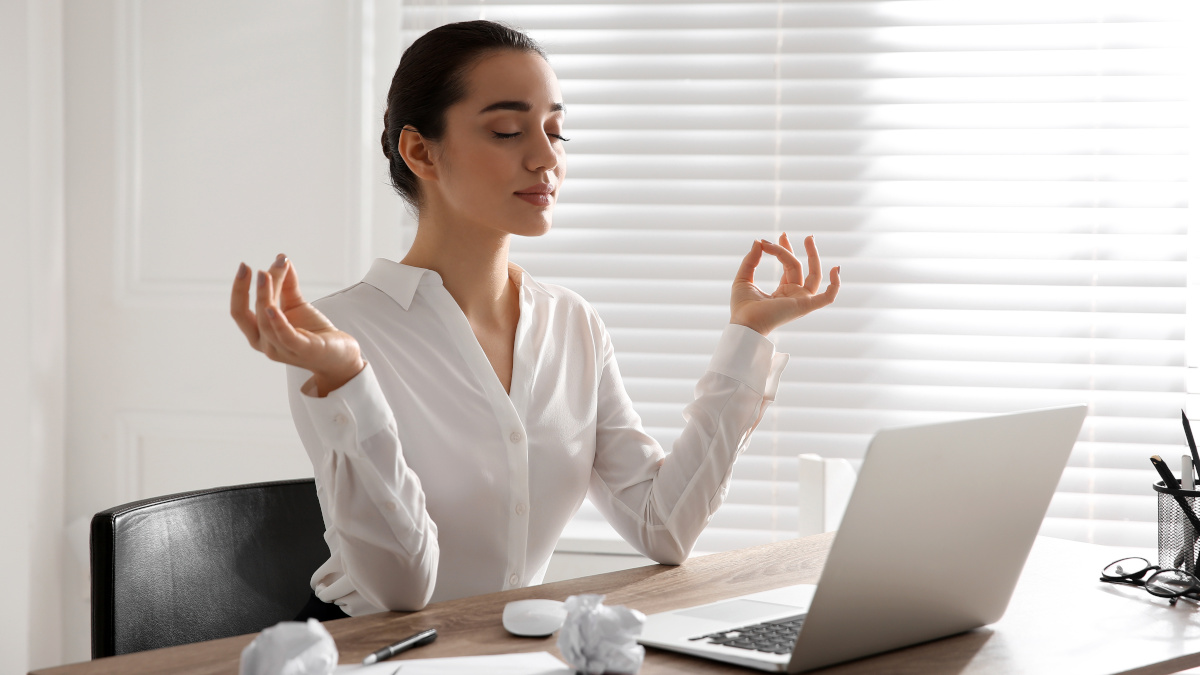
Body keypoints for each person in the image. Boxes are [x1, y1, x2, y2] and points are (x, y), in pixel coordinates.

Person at [230, 20, 840, 618]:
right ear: (420, 151)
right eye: (506, 131)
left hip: (510, 650)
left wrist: (748, 339)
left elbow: (665, 528)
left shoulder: (573, 323)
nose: (546, 157)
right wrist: (348, 384)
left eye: (556, 132)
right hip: (364, 653)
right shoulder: (339, 339)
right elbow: (400, 591)